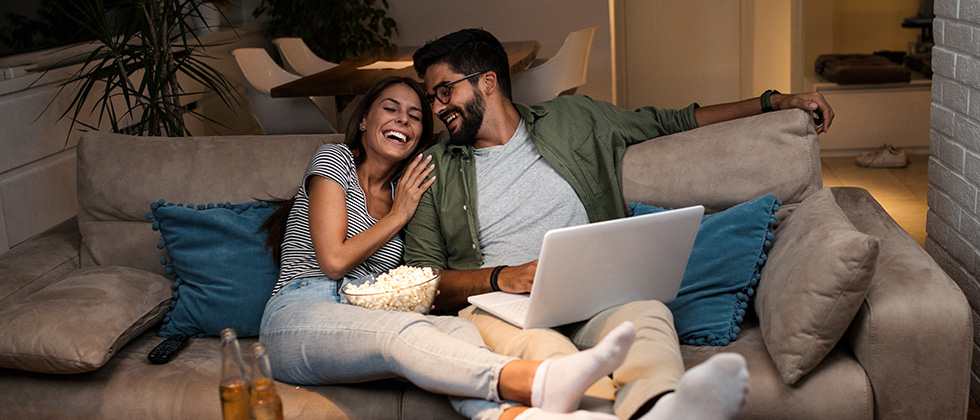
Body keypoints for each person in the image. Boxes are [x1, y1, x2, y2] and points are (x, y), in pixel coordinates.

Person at [404, 28, 835, 420]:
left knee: (646, 316)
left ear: (488, 81)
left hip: (594, 295)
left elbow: (672, 121)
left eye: (444, 91)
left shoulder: (575, 119)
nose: (437, 108)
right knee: (549, 352)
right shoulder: (433, 169)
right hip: (504, 310)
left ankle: (661, 408)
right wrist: (502, 277)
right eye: (432, 97)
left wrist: (772, 103)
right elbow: (422, 283)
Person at [258, 76, 645, 420]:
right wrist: (397, 215)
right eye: (390, 109)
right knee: (401, 331)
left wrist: (408, 206)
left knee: (461, 333)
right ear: (363, 120)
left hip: (364, 315)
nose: (402, 120)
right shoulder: (336, 160)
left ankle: (523, 416)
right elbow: (334, 261)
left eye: (414, 117)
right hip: (300, 312)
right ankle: (538, 379)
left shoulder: (409, 188)